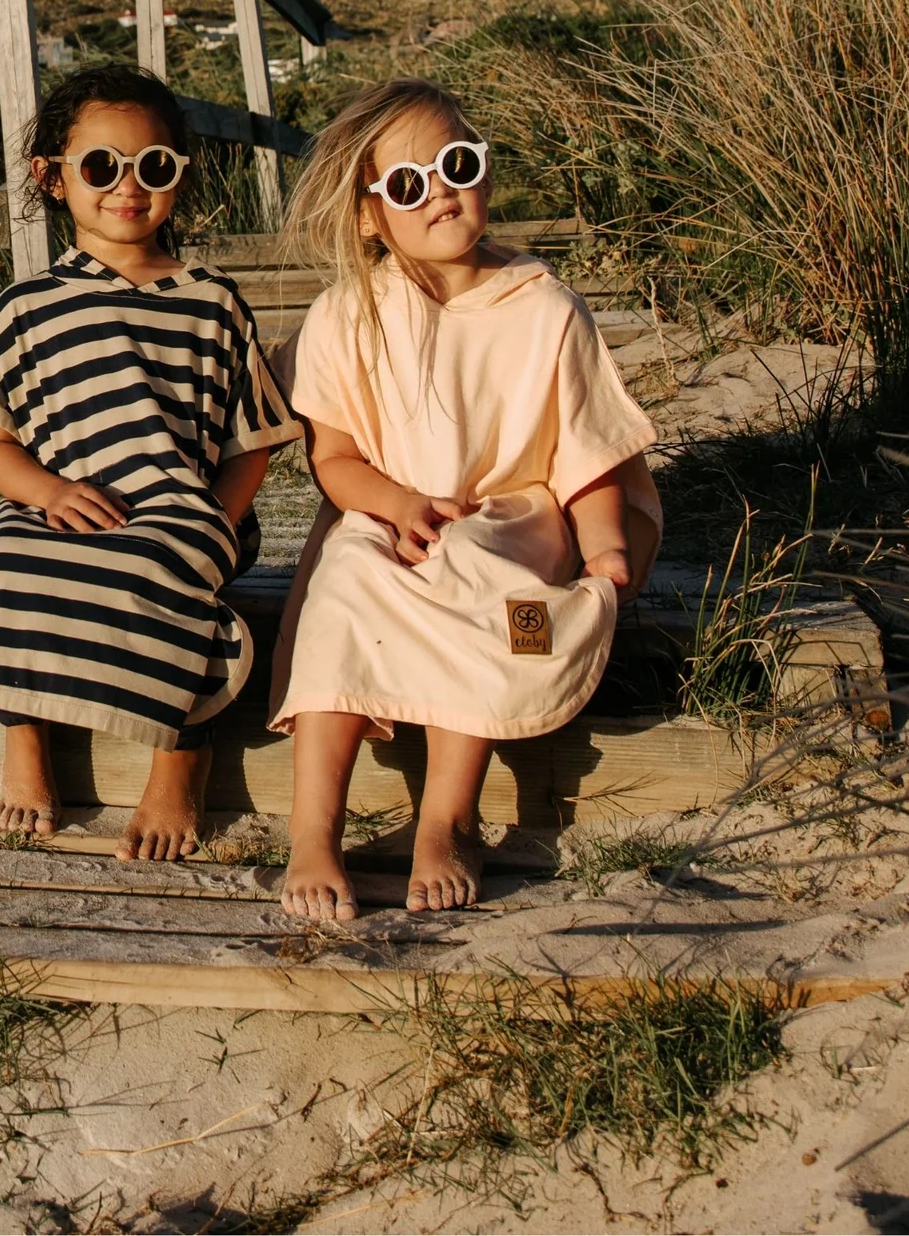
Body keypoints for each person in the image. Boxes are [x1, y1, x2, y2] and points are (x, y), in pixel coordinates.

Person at [270, 78, 662, 920]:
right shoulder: (352, 313)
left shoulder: (545, 307)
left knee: (481, 580)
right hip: (387, 508)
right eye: (409, 183)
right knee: (343, 585)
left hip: (512, 518)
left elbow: (586, 449)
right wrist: (395, 502)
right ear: (370, 214)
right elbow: (333, 458)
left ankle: (447, 817)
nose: (441, 193)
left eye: (457, 165)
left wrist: (606, 548)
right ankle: (313, 830)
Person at [0, 64, 300, 862]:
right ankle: (26, 733)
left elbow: (253, 441)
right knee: (0, 560)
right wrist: (47, 492)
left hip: (182, 506)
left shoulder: (212, 302)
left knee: (161, 570)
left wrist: (217, 518)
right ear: (52, 177)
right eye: (101, 166)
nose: (127, 187)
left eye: (153, 167)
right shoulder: (24, 308)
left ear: (180, 178)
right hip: (55, 502)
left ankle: (180, 754)